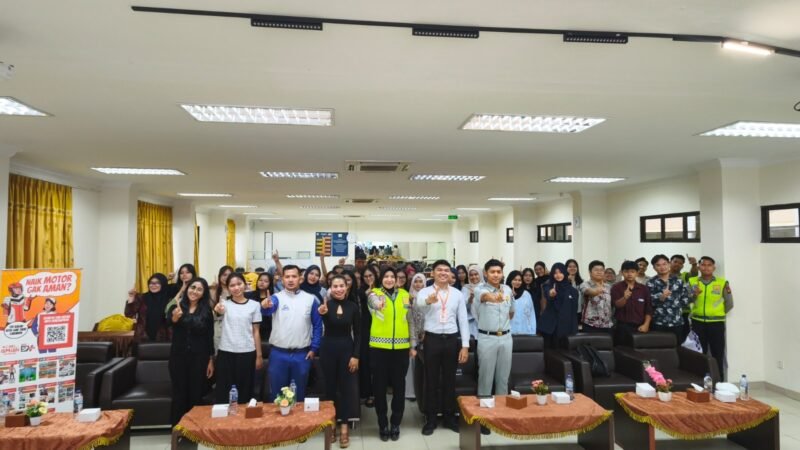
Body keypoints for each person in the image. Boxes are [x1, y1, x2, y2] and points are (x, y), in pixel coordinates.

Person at [415, 260, 470, 436]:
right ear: (433, 273)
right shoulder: (425, 291)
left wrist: (465, 346)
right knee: (430, 380)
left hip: (452, 340)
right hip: (432, 340)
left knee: (449, 381)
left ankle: (449, 417)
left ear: (450, 274)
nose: (443, 273)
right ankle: (430, 419)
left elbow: (463, 320)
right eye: (439, 270)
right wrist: (429, 301)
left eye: (446, 270)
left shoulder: (457, 294)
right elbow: (419, 306)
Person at [261, 265, 323, 402]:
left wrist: (314, 348)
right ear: (282, 279)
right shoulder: (276, 298)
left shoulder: (310, 299)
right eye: (287, 277)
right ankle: (277, 423)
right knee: (276, 396)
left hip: (302, 354)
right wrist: (265, 306)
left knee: (298, 394)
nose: (290, 280)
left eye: (294, 276)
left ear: (300, 279)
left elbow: (318, 325)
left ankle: (297, 423)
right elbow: (268, 309)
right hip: (278, 354)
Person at [367, 268, 415, 441]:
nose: (389, 279)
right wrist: (378, 304)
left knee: (399, 388)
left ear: (397, 279)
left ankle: (395, 423)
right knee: (379, 388)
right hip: (379, 349)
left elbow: (410, 320)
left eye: (392, 277)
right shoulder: (374, 293)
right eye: (386, 276)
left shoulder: (404, 295)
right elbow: (373, 303)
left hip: (401, 349)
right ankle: (382, 423)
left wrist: (413, 345)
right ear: (381, 278)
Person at [472, 259, 514, 436]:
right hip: (486, 338)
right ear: (486, 274)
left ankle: (500, 417)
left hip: (506, 337)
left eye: (499, 272)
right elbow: (485, 297)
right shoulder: (479, 290)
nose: (496, 275)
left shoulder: (508, 290)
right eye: (492, 272)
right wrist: (493, 297)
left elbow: (511, 311)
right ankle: (484, 419)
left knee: (503, 379)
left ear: (502, 273)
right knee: (485, 378)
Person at [318, 275, 361, 448]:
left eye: (341, 285)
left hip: (347, 350)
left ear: (346, 287)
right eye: (335, 286)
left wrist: (356, 356)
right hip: (328, 349)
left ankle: (344, 427)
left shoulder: (353, 307)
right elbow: (319, 324)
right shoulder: (325, 306)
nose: (338, 289)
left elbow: (358, 334)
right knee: (329, 389)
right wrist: (321, 314)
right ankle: (331, 426)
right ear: (330, 287)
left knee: (345, 390)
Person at [167, 277, 214, 426]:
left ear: (203, 293)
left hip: (199, 359)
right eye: (193, 287)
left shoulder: (206, 311)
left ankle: (194, 428)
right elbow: (169, 322)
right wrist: (175, 318)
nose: (195, 291)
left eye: (199, 289)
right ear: (187, 288)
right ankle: (178, 428)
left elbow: (209, 336)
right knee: (179, 394)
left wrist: (210, 360)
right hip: (178, 357)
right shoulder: (177, 306)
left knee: (196, 394)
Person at [212, 273, 262, 404]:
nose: (236, 288)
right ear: (228, 288)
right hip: (226, 352)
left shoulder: (255, 305)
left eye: (239, 284)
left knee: (245, 389)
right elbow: (218, 313)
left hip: (247, 352)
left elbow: (256, 331)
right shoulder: (224, 304)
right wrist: (217, 310)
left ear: (245, 285)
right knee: (224, 389)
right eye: (232, 285)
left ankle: (243, 422)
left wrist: (259, 355)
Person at [688, 256, 733, 380]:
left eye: (709, 265)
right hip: (697, 322)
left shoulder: (722, 282)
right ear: (699, 267)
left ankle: (719, 381)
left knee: (717, 353)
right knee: (699, 353)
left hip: (716, 323)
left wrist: (716, 313)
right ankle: (700, 379)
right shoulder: (692, 281)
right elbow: (686, 300)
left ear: (714, 267)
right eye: (703, 265)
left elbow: (729, 303)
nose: (706, 267)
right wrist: (694, 295)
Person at [646, 254, 691, 344]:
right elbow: (648, 303)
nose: (662, 267)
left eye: (664, 264)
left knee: (678, 349)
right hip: (658, 323)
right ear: (654, 268)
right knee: (659, 349)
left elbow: (685, 300)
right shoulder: (650, 283)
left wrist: (693, 296)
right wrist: (661, 297)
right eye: (658, 265)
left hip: (677, 322)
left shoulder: (679, 281)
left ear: (669, 264)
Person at [611, 260, 653, 344]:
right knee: (621, 352)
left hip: (640, 327)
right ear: (622, 273)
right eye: (626, 271)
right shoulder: (616, 287)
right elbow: (616, 305)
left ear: (637, 273)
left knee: (639, 353)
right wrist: (625, 298)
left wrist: (646, 324)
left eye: (632, 271)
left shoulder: (644, 289)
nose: (629, 274)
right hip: (622, 327)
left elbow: (648, 308)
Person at [538, 263, 578, 348]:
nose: (558, 275)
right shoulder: (547, 286)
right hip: (549, 328)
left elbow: (574, 312)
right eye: (555, 273)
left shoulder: (573, 291)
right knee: (548, 354)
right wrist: (551, 295)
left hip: (565, 329)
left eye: (560, 272)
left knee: (563, 355)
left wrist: (574, 330)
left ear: (565, 273)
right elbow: (548, 294)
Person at [125, 273, 172, 342]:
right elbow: (129, 314)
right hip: (142, 336)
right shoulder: (141, 297)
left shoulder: (169, 300)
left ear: (163, 284)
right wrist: (131, 298)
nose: (153, 285)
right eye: (151, 283)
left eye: (157, 283)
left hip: (163, 337)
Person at [358, 266, 379, 408]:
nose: (368, 278)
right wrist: (366, 296)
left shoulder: (382, 290)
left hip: (381, 329)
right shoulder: (360, 292)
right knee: (366, 363)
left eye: (370, 275)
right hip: (366, 329)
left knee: (378, 364)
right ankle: (368, 393)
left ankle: (378, 393)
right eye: (365, 276)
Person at [405, 273, 427, 401]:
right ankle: (411, 392)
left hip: (425, 333)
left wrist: (425, 331)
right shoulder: (406, 297)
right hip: (410, 332)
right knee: (410, 363)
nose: (418, 284)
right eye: (416, 281)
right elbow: (405, 315)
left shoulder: (429, 296)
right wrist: (410, 303)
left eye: (421, 282)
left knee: (423, 363)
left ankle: (422, 391)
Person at [670, 254, 699, 342]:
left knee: (682, 340)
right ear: (670, 262)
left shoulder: (685, 276)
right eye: (675, 262)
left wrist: (694, 264)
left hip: (683, 313)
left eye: (680, 263)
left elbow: (694, 274)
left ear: (682, 265)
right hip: (667, 313)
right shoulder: (663, 275)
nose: (677, 264)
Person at [579, 261, 613, 333]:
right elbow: (588, 291)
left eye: (601, 270)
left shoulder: (608, 286)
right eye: (596, 270)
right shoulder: (584, 284)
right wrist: (597, 290)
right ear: (590, 272)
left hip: (607, 325)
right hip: (590, 325)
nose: (599, 272)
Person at [211, 265, 234, 352]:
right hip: (219, 325)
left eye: (229, 275)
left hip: (234, 326)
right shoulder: (213, 291)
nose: (226, 277)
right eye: (224, 275)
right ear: (219, 276)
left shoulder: (236, 291)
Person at [246, 272, 274, 342]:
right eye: (260, 280)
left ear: (270, 284)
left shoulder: (273, 298)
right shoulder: (249, 295)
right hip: (251, 329)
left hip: (268, 330)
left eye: (266, 281)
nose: (262, 282)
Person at [507, 270, 535, 335]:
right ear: (510, 280)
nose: (517, 282)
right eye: (514, 280)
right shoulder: (505, 293)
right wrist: (511, 297)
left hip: (524, 331)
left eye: (519, 280)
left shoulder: (526, 294)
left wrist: (532, 331)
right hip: (508, 331)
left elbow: (531, 314)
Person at [460, 265, 483, 339]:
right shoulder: (466, 288)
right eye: (471, 275)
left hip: (484, 322)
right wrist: (470, 299)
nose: (474, 277)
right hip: (471, 323)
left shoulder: (486, 287)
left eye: (476, 274)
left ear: (480, 274)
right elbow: (462, 307)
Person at [565, 259, 584, 328]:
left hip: (578, 312)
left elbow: (576, 295)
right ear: (566, 268)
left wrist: (573, 281)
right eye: (570, 266)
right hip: (566, 312)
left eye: (574, 266)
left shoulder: (582, 282)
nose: (572, 268)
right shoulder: (563, 281)